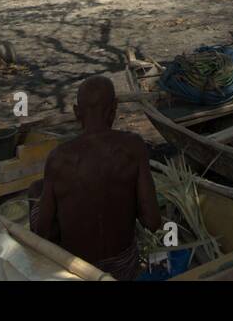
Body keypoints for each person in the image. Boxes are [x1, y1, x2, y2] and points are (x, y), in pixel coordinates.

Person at [35, 77, 162, 280]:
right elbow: (153, 221)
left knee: (35, 192)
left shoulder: (58, 158)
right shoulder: (133, 147)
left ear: (77, 112)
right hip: (124, 267)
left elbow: (44, 231)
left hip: (77, 271)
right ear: (114, 109)